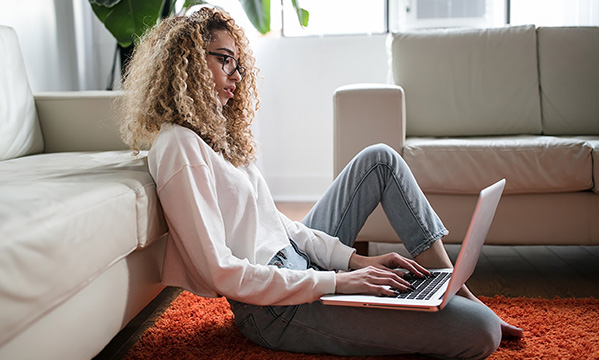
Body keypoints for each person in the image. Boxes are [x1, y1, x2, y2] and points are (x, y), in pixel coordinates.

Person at [119, 6, 522, 359]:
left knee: (379, 159)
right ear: (186, 61)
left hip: (298, 266)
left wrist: (354, 262)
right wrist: (337, 282)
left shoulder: (215, 136)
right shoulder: (179, 147)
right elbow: (221, 272)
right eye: (224, 60)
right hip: (273, 309)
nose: (236, 75)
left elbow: (279, 225)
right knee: (480, 331)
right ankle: (456, 303)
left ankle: (455, 288)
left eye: (237, 64)